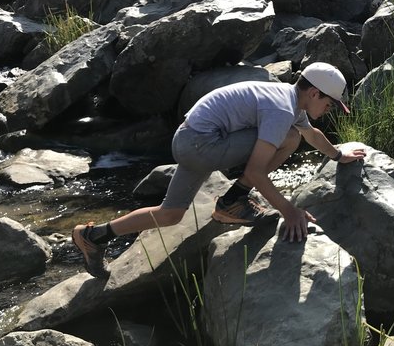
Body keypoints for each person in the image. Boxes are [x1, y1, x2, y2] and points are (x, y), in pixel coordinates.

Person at [71, 62, 367, 279]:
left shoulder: (289, 101)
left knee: (170, 214)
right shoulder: (281, 110)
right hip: (202, 143)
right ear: (314, 93)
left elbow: (312, 134)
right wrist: (290, 211)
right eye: (329, 104)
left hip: (192, 140)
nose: (329, 109)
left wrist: (338, 155)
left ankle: (93, 236)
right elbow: (257, 169)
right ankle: (231, 202)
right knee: (289, 138)